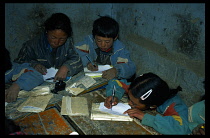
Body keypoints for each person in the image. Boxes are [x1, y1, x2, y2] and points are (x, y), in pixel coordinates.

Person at [104, 72, 191, 135]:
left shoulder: (175, 106)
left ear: (152, 106)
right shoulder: (137, 90)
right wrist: (115, 95)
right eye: (129, 98)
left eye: (134, 104)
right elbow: (116, 83)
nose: (129, 103)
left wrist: (145, 117)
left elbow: (181, 129)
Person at [14, 13, 83, 82]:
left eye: (62, 39)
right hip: (36, 83)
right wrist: (33, 65)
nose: (57, 42)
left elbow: (76, 59)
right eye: (53, 37)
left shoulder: (68, 42)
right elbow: (18, 64)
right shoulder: (32, 45)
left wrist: (66, 67)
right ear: (46, 32)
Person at [74, 15, 136, 80]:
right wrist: (87, 62)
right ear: (94, 36)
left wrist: (116, 71)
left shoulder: (120, 49)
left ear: (115, 37)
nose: (103, 45)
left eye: (107, 42)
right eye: (99, 40)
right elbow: (75, 53)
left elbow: (130, 68)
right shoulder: (89, 41)